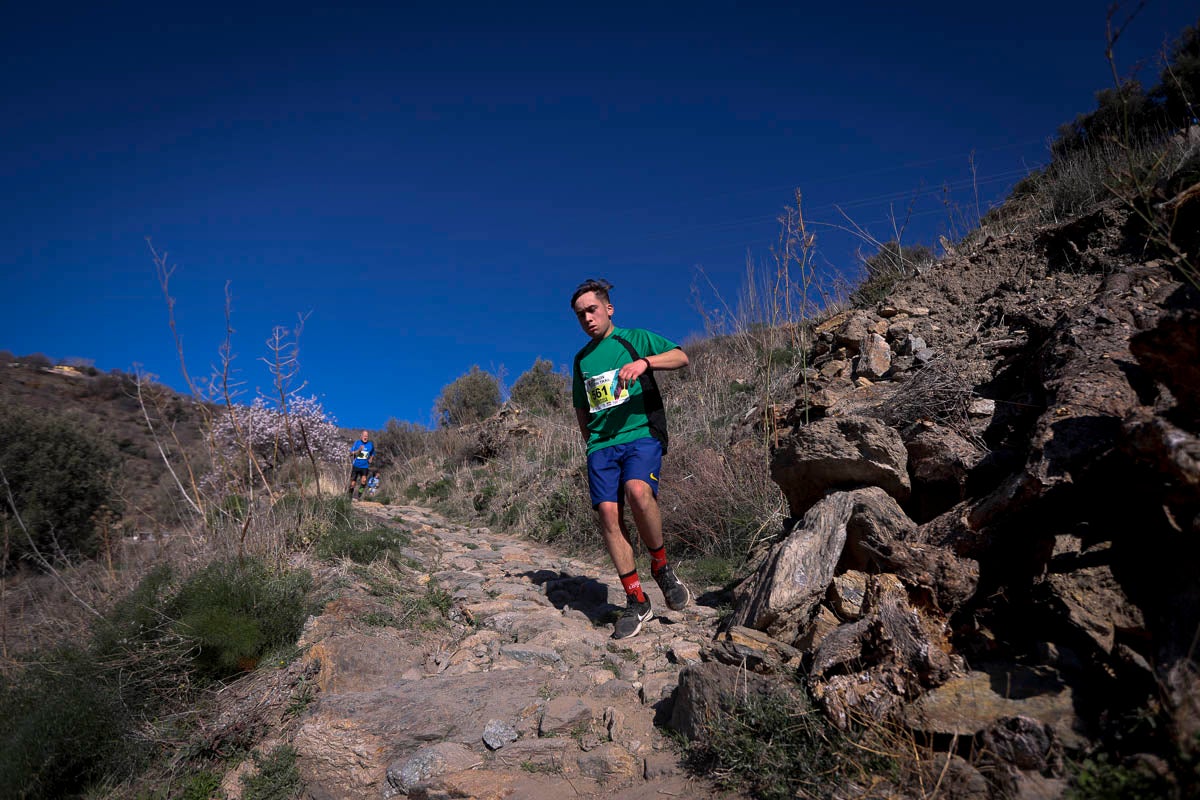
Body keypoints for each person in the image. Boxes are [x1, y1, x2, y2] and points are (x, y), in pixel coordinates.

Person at [570, 278, 692, 639]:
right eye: (581, 315)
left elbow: (681, 356)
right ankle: (636, 600)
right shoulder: (581, 360)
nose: (588, 318)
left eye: (592, 309)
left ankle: (661, 568)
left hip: (641, 435)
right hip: (601, 446)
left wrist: (644, 363)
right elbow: (581, 407)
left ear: (609, 309)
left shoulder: (633, 339)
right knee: (608, 514)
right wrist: (590, 442)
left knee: (639, 492)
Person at [347, 430, 375, 499]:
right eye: (364, 436)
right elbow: (350, 454)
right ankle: (349, 497)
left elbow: (373, 453)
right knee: (352, 484)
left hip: (365, 466)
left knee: (364, 480)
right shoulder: (357, 443)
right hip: (356, 465)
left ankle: (359, 495)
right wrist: (358, 450)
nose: (365, 437)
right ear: (361, 436)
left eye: (367, 436)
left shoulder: (370, 444)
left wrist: (371, 458)